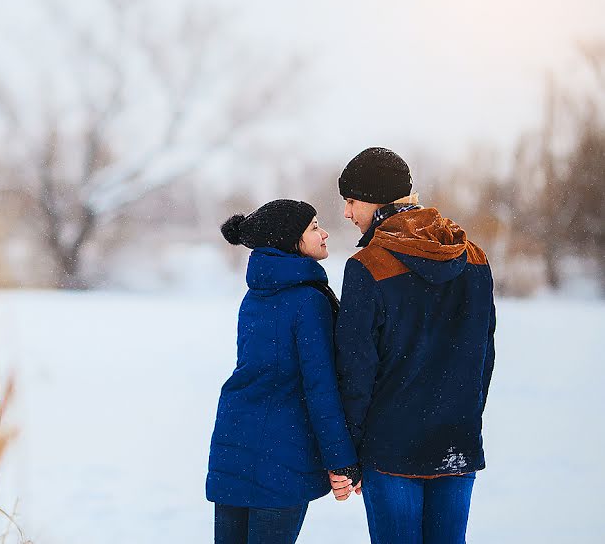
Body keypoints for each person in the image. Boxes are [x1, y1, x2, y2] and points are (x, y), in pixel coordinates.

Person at [330, 147, 496, 544]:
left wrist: (349, 454)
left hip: (391, 449)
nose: (347, 213)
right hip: (456, 442)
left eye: (351, 201)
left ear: (374, 199)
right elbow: (483, 359)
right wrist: (463, 420)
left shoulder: (368, 265)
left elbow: (356, 371)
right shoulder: (474, 258)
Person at [206, 199, 360, 544]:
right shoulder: (308, 300)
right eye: (314, 227)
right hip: (281, 455)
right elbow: (320, 387)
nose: (325, 233)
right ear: (291, 240)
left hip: (234, 444)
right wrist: (341, 461)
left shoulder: (255, 295)